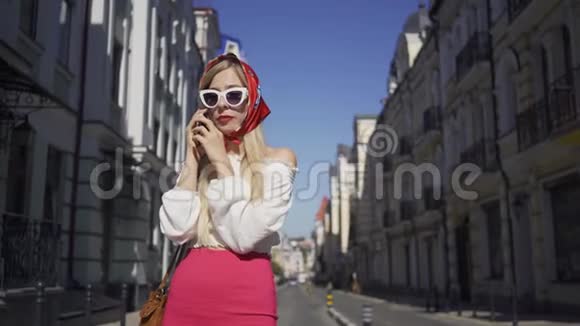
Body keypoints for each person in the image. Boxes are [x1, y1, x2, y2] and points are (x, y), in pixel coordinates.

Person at [159, 53, 298, 325]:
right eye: (212, 97)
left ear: (252, 101)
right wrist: (192, 156)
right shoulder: (200, 163)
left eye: (234, 95)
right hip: (186, 301)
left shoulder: (279, 160)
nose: (223, 105)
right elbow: (176, 229)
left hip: (247, 300)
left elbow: (246, 237)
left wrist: (221, 163)